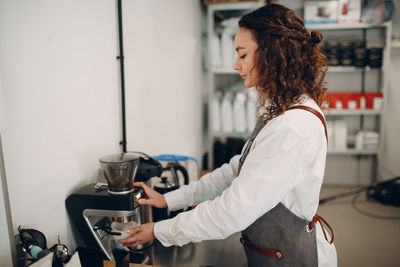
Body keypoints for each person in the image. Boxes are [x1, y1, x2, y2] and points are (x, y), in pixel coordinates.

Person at [118, 3, 337, 266]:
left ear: (271, 54)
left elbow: (233, 211)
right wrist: (170, 199)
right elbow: (237, 170)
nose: (235, 65)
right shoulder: (281, 108)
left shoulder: (291, 128)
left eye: (242, 55)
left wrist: (160, 230)